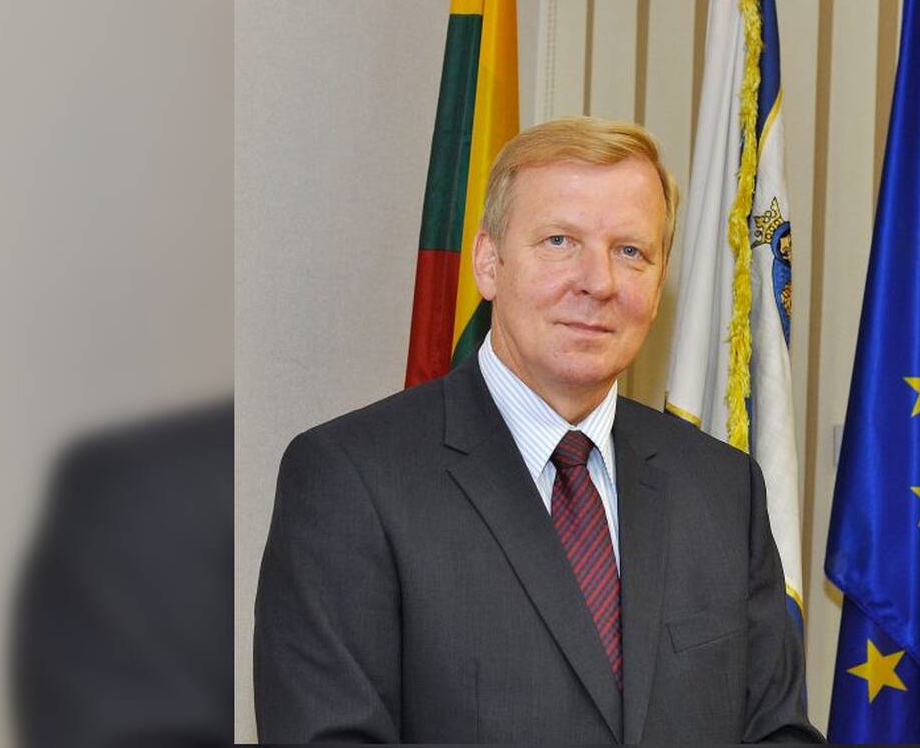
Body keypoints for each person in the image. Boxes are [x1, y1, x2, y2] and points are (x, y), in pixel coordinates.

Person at [253, 117, 822, 743]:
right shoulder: (351, 480)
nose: (598, 282)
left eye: (630, 252)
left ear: (660, 284)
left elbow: (777, 732)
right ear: (488, 263)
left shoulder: (723, 488)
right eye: (559, 241)